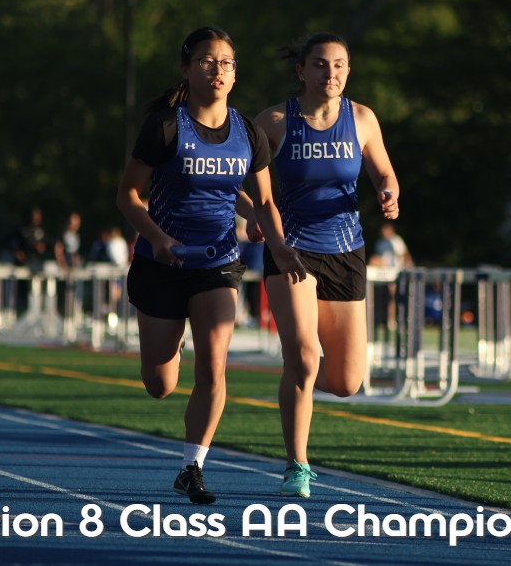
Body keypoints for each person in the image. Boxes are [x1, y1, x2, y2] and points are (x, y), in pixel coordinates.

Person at [115, 25, 305, 504]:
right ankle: (172, 344)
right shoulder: (165, 127)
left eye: (226, 63)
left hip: (217, 262)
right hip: (161, 263)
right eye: (206, 61)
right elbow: (128, 196)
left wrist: (278, 244)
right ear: (186, 68)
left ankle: (192, 467)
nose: (217, 70)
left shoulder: (249, 132)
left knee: (215, 368)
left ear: (235, 74)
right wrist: (158, 238)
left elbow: (264, 200)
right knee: (160, 385)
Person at [252, 31, 399, 498]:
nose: (329, 73)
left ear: (348, 71)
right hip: (291, 251)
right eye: (319, 64)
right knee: (303, 357)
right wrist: (255, 218)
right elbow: (233, 175)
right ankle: (297, 464)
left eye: (338, 65)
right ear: (301, 70)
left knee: (346, 381)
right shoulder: (275, 121)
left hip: (346, 251)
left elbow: (385, 172)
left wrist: (388, 193)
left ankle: (299, 388)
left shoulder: (362, 119)